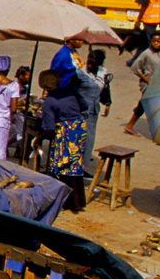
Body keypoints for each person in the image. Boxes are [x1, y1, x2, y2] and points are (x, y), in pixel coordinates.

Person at [40, 69, 88, 209]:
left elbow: (49, 129)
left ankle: (65, 201)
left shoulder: (49, 102)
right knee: (76, 164)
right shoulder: (71, 92)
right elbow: (84, 106)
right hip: (79, 130)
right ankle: (78, 202)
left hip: (65, 133)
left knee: (61, 165)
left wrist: (38, 139)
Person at [122, 31, 160, 137]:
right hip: (148, 85)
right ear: (150, 42)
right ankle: (154, 131)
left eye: (158, 41)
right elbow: (135, 67)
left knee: (145, 105)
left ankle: (130, 126)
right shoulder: (146, 53)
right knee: (149, 106)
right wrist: (146, 79)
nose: (156, 43)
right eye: (154, 41)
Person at [77, 49, 113, 168]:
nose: (90, 65)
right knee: (77, 139)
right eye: (89, 62)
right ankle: (73, 168)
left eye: (94, 63)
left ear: (100, 63)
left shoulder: (103, 73)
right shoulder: (80, 73)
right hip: (79, 110)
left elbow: (105, 88)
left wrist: (107, 103)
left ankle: (83, 167)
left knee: (89, 140)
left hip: (93, 112)